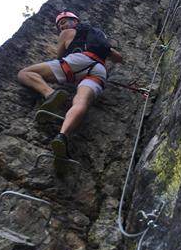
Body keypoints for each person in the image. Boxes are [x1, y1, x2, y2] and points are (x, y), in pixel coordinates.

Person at [18, 11, 122, 159]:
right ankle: (62, 136)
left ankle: (49, 93)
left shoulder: (67, 33)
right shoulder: (97, 38)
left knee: (24, 73)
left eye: (64, 22)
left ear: (75, 22)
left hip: (77, 61)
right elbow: (118, 58)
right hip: (99, 70)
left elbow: (60, 57)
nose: (62, 26)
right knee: (81, 101)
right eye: (60, 24)